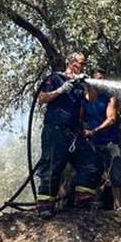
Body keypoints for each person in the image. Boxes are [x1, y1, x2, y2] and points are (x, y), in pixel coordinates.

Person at [34, 51, 100, 217]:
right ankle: (44, 205)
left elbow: (91, 98)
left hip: (74, 133)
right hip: (55, 130)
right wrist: (61, 90)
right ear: (71, 62)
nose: (84, 66)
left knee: (91, 161)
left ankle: (83, 200)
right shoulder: (55, 78)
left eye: (85, 64)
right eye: (82, 63)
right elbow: (42, 98)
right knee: (52, 166)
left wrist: (88, 84)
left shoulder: (79, 84)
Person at [82, 68, 121, 210]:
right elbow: (80, 118)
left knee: (115, 173)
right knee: (93, 172)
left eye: (103, 79)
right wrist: (83, 130)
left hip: (110, 142)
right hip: (93, 143)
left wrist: (94, 131)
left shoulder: (109, 97)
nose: (101, 82)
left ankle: (118, 206)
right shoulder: (85, 99)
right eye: (98, 79)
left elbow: (111, 119)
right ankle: (93, 203)